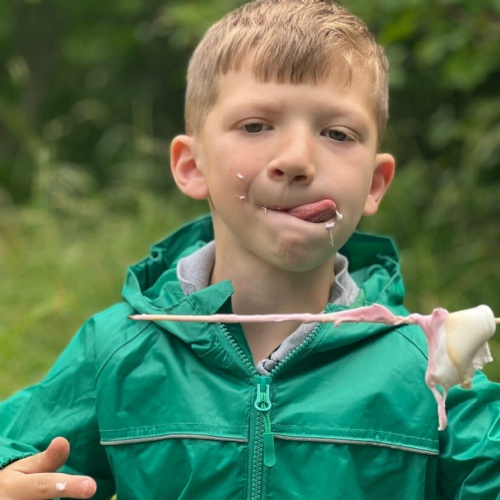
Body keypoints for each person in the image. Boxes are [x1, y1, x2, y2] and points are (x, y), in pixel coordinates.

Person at [1, 0, 499, 498]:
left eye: (337, 133)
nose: (297, 159)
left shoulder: (429, 369)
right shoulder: (117, 350)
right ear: (192, 166)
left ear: (374, 183)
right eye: (256, 126)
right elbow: (15, 459)